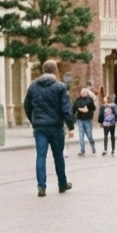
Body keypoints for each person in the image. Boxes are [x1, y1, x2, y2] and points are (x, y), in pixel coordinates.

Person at [24, 59, 76, 197]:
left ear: (43, 70)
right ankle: (62, 183)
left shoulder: (33, 86)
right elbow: (66, 109)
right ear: (56, 71)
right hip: (55, 126)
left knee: (40, 156)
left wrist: (34, 120)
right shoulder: (60, 87)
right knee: (58, 156)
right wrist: (70, 126)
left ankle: (41, 186)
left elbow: (27, 106)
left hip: (40, 127)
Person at [73, 86, 97, 156]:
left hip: (88, 119)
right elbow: (74, 109)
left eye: (84, 92)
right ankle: (82, 150)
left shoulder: (89, 100)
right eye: (82, 92)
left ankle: (92, 144)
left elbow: (93, 108)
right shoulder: (78, 100)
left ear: (86, 93)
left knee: (89, 134)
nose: (82, 93)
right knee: (81, 135)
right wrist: (72, 117)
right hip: (80, 119)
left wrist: (88, 109)